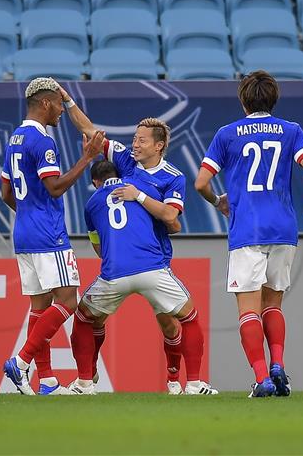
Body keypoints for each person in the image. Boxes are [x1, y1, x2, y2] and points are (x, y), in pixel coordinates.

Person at [58, 83, 215, 395]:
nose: (134, 145)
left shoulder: (173, 177)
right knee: (186, 317)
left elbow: (172, 218)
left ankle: (171, 382)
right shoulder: (128, 162)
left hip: (145, 259)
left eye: (141, 141)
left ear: (158, 146)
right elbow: (90, 131)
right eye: (134, 139)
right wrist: (68, 101)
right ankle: (193, 384)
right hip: (150, 264)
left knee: (168, 324)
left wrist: (139, 195)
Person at [194, 70, 303, 397]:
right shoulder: (291, 131)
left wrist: (218, 201)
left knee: (248, 310)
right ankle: (279, 364)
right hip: (283, 228)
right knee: (274, 305)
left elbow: (200, 182)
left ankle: (262, 378)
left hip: (246, 229)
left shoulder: (227, 134)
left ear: (242, 100)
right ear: (274, 99)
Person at [69, 160, 217, 395]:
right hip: (153, 269)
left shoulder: (92, 203)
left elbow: (98, 249)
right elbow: (173, 223)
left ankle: (85, 383)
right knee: (188, 318)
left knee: (84, 319)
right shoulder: (142, 189)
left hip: (114, 273)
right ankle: (195, 384)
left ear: (96, 183)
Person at [0, 77, 104, 395]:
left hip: (24, 233)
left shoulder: (15, 138)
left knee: (40, 306)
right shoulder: (42, 140)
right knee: (68, 300)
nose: (61, 111)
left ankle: (46, 381)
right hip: (48, 234)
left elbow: (6, 192)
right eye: (59, 104)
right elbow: (55, 187)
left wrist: (29, 213)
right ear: (46, 103)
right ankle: (21, 362)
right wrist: (87, 158)